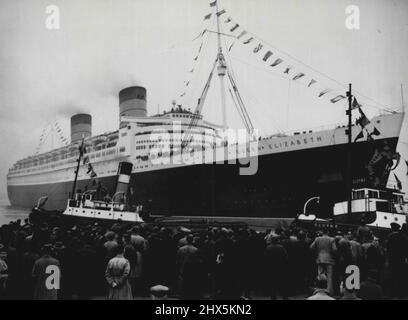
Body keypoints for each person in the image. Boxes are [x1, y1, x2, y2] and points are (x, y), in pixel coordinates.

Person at [310, 229, 337, 295]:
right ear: (328, 232)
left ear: (322, 232)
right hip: (329, 258)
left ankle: (319, 291)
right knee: (329, 276)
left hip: (319, 258)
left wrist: (317, 251)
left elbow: (311, 247)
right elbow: (334, 249)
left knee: (320, 275)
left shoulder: (317, 239)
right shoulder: (331, 239)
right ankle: (329, 291)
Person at [264, 234, 288, 300]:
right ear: (277, 240)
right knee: (282, 284)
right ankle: (285, 297)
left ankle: (273, 298)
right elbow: (285, 258)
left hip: (271, 268)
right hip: (280, 268)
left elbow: (265, 258)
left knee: (272, 285)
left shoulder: (268, 247)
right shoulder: (281, 247)